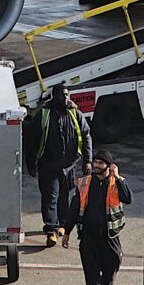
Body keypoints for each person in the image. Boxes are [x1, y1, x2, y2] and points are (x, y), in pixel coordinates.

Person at [60, 154, 132, 285]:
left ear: (109, 166)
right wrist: (66, 230)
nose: (96, 165)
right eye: (95, 162)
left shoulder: (116, 182)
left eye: (101, 163)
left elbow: (128, 198)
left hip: (110, 237)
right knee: (91, 276)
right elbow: (74, 207)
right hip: (88, 237)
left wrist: (119, 177)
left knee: (110, 269)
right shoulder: (84, 183)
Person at [22, 87, 89, 247]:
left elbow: (86, 135)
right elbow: (32, 140)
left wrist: (88, 160)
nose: (66, 98)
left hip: (69, 165)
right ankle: (51, 229)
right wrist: (31, 163)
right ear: (54, 97)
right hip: (48, 164)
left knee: (64, 195)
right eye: (62, 95)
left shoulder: (74, 113)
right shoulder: (44, 115)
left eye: (67, 95)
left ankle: (62, 224)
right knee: (50, 196)